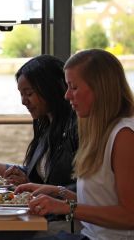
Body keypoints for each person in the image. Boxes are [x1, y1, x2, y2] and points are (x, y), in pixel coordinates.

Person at [16, 49, 134, 239]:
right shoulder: (100, 131)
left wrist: (65, 206)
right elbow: (102, 200)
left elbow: (129, 216)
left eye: (74, 87)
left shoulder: (125, 136)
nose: (67, 95)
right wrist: (57, 192)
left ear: (99, 88)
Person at [0, 54, 78, 189]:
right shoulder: (47, 128)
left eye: (29, 94)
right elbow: (38, 177)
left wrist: (35, 188)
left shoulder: (75, 129)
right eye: (21, 94)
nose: (23, 101)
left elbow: (84, 189)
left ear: (50, 89)